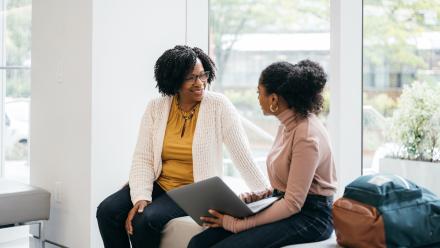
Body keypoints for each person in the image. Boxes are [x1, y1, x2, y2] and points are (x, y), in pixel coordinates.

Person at [96, 45, 268, 248]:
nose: (200, 83)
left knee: (144, 220)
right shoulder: (156, 107)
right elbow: (143, 157)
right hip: (160, 183)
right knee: (106, 211)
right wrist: (141, 196)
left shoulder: (219, 105)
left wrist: (267, 195)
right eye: (191, 78)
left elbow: (242, 155)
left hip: (195, 190)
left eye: (203, 75)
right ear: (174, 80)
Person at [188, 60, 337, 248]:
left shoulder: (307, 136)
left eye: (259, 92)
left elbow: (293, 204)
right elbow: (287, 185)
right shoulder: (287, 124)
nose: (258, 98)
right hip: (285, 202)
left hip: (312, 216)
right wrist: (258, 198)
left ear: (274, 99)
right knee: (198, 243)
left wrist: (238, 224)